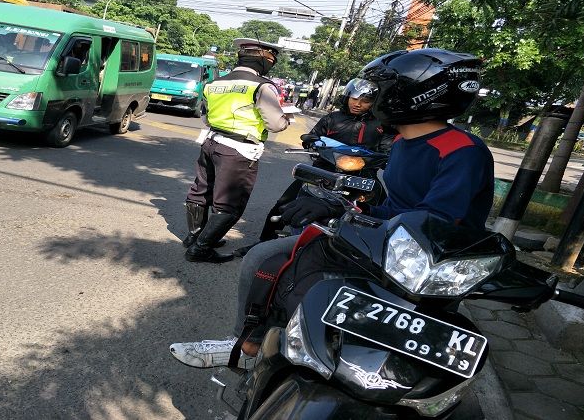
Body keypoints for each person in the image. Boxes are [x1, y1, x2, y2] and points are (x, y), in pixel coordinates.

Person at [169, 48, 495, 369]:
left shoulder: (462, 150)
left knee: (313, 282)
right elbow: (393, 202)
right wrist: (342, 208)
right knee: (263, 258)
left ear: (416, 95)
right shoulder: (403, 141)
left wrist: (344, 215)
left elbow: (435, 222)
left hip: (423, 264)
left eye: (379, 89)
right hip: (383, 238)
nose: (369, 98)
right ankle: (245, 344)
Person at [233, 78, 397, 257]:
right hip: (322, 172)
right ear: (347, 97)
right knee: (283, 204)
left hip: (361, 177)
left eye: (365, 101)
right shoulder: (332, 118)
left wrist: (382, 158)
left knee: (383, 211)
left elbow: (389, 150)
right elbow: (312, 137)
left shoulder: (382, 125)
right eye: (354, 98)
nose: (357, 104)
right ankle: (263, 243)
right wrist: (311, 142)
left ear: (374, 103)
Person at [182, 38, 290, 264]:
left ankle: (195, 237)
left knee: (201, 191)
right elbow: (276, 125)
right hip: (239, 150)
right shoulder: (262, 86)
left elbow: (205, 116)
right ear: (264, 59)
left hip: (210, 142)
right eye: (271, 59)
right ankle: (200, 249)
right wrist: (286, 118)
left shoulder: (215, 83)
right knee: (230, 204)